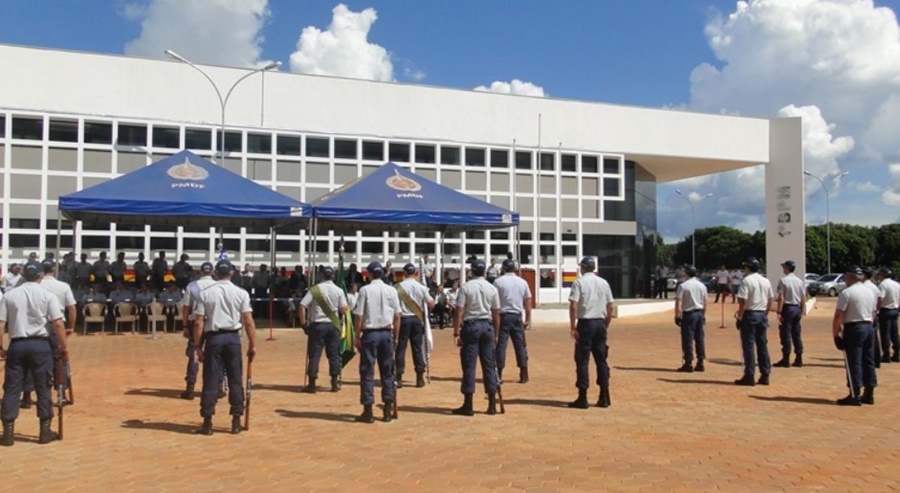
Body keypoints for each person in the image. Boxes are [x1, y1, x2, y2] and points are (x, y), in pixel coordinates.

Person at [0, 261, 69, 446]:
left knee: (12, 388)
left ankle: (8, 433)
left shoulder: (9, 295)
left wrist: (1, 347)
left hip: (17, 344)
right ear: (41, 276)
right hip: (40, 345)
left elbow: (0, 323)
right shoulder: (47, 295)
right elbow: (58, 323)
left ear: (23, 276)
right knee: (43, 387)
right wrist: (64, 347)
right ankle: (44, 431)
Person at [192, 260, 256, 435]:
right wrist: (252, 344)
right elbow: (248, 321)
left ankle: (207, 421)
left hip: (214, 338)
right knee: (235, 379)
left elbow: (198, 322)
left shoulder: (205, 293)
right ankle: (236, 420)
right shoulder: (241, 293)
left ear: (215, 273)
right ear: (232, 273)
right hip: (233, 338)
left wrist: (198, 346)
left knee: (211, 379)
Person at [352, 262, 401, 423]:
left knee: (367, 372)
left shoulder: (365, 290)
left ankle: (368, 409)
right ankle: (387, 408)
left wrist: (357, 336)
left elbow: (358, 316)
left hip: (370, 334)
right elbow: (397, 316)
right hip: (386, 333)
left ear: (369, 274)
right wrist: (396, 337)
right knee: (387, 372)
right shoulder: (391, 290)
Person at [451, 259, 501, 416]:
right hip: (487, 326)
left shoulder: (466, 287)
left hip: (471, 326)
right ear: (484, 272)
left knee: (469, 365)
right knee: (489, 365)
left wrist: (456, 332)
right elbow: (496, 312)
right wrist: (496, 333)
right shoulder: (491, 288)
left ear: (471, 271)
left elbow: (459, 310)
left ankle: (468, 403)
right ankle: (492, 403)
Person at [568, 256, 615, 409]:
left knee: (582, 360)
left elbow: (574, 306)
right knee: (601, 359)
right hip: (600, 323)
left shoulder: (579, 283)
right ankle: (604, 395)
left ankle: (583, 397)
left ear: (583, 268)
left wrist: (573, 327)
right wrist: (606, 325)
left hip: (586, 324)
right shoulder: (603, 282)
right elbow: (610, 308)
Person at [298, 266, 348, 394]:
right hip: (333, 325)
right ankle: (334, 382)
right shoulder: (339, 290)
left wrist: (303, 324)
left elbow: (302, 306)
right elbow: (344, 309)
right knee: (334, 355)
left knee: (314, 355)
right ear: (333, 277)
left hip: (318, 325)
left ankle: (312, 383)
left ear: (321, 275)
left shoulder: (315, 289)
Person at [832, 266, 877, 405]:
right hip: (869, 326)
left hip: (854, 327)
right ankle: (869, 392)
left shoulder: (847, 293)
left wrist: (836, 335)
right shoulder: (869, 292)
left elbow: (838, 315)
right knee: (868, 360)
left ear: (850, 277)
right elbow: (874, 312)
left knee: (854, 361)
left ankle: (854, 393)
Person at [734, 257, 775, 386]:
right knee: (762, 345)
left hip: (750, 314)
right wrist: (765, 313)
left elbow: (743, 301)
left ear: (748, 267)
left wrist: (740, 317)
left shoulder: (746, 281)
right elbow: (770, 300)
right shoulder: (765, 280)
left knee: (748, 346)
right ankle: (765, 373)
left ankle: (749, 374)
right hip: (762, 314)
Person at [179, 262, 217, 400]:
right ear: (212, 272)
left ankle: (190, 388)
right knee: (214, 356)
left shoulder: (192, 286)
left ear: (200, 272)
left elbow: (186, 308)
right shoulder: (218, 286)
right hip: (213, 323)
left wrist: (184, 325)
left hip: (195, 322)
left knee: (194, 354)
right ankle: (216, 387)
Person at [394, 263, 435, 389]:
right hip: (417, 320)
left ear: (405, 273)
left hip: (403, 319)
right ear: (415, 273)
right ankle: (419, 377)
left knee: (401, 348)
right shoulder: (421, 287)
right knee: (417, 348)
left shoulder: (397, 287)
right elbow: (431, 303)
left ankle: (399, 377)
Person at [493, 258, 532, 384]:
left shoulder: (498, 282)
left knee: (501, 345)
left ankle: (499, 374)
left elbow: (494, 301)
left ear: (503, 268)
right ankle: (524, 373)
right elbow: (527, 301)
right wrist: (528, 318)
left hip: (503, 316)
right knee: (520, 345)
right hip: (517, 316)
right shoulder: (522, 282)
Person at [674, 264, 707, 372]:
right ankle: (700, 361)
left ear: (687, 273)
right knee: (700, 338)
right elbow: (705, 302)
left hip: (689, 314)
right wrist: (703, 315)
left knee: (687, 338)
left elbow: (678, 301)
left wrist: (677, 315)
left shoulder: (683, 286)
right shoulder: (702, 285)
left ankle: (688, 362)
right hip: (699, 313)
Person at [774, 260, 807, 368]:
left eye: (784, 267)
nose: (783, 269)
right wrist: (802, 310)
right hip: (796, 308)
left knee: (786, 334)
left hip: (787, 308)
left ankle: (786, 358)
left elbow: (781, 298)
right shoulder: (799, 281)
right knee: (796, 334)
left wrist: (779, 311)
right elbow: (803, 297)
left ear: (787, 268)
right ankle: (799, 357)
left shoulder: (783, 280)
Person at [877, 267, 900, 363]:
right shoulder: (896, 284)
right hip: (895, 310)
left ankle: (886, 355)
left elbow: (880, 299)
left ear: (883, 275)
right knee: (894, 333)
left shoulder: (883, 285)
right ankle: (897, 353)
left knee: (885, 333)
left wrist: (876, 310)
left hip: (885, 310)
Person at [860, 267, 882, 369]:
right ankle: (876, 361)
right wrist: (877, 310)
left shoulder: (863, 287)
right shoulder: (874, 286)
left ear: (864, 275)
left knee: (865, 341)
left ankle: (866, 361)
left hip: (865, 315)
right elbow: (879, 299)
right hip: (873, 314)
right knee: (874, 339)